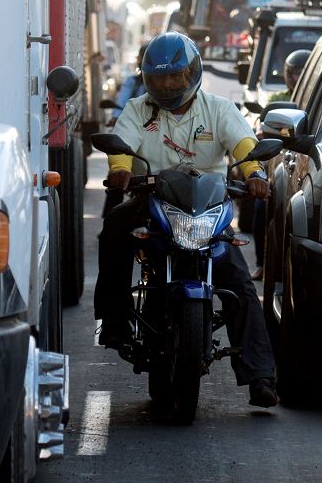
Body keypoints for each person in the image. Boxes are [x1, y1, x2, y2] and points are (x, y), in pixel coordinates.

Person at [95, 32, 279, 408]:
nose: (167, 85)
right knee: (113, 227)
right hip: (152, 202)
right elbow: (122, 147)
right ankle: (113, 321)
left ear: (192, 73)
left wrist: (255, 174)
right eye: (159, 77)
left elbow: (244, 145)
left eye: (175, 76)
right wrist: (120, 170)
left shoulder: (219, 109)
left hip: (207, 208)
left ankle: (260, 375)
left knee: (239, 282)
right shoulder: (137, 109)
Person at [249, 48, 310, 280]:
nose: (297, 78)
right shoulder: (277, 100)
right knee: (260, 208)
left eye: (302, 73)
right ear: (287, 74)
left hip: (305, 162)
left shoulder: (314, 97)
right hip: (279, 160)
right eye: (294, 73)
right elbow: (262, 128)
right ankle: (262, 264)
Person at [102, 44, 148, 218]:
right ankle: (110, 218)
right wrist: (116, 117)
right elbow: (122, 103)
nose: (166, 84)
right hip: (133, 135)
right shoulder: (132, 82)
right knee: (117, 177)